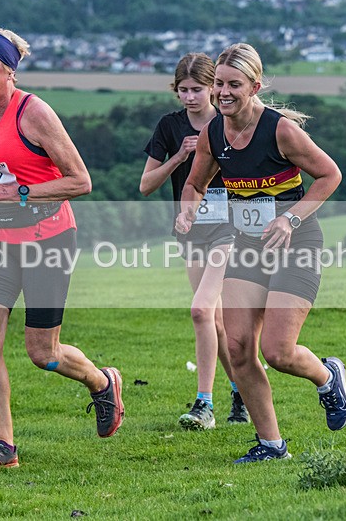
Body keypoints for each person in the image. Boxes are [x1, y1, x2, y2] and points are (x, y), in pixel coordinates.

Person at [0, 27, 124, 469]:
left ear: (9, 69)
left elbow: (80, 181)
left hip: (47, 240)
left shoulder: (35, 114)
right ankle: (4, 445)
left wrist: (18, 195)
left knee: (43, 354)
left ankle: (102, 383)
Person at [175, 43, 346, 463]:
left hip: (296, 244)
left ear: (254, 86)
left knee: (278, 351)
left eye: (234, 84)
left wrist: (289, 219)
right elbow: (195, 185)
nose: (223, 92)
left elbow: (330, 175)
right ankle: (272, 445)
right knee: (238, 349)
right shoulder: (212, 135)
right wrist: (187, 212)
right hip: (248, 247)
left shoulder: (281, 131)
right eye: (218, 83)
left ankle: (328, 377)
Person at [140, 53, 249, 430]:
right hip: (190, 230)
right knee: (215, 323)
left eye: (198, 89)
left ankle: (204, 404)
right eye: (183, 90)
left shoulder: (229, 124)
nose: (190, 97)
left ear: (212, 89)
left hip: (229, 228)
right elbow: (146, 185)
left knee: (201, 311)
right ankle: (241, 391)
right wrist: (178, 157)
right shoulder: (169, 128)